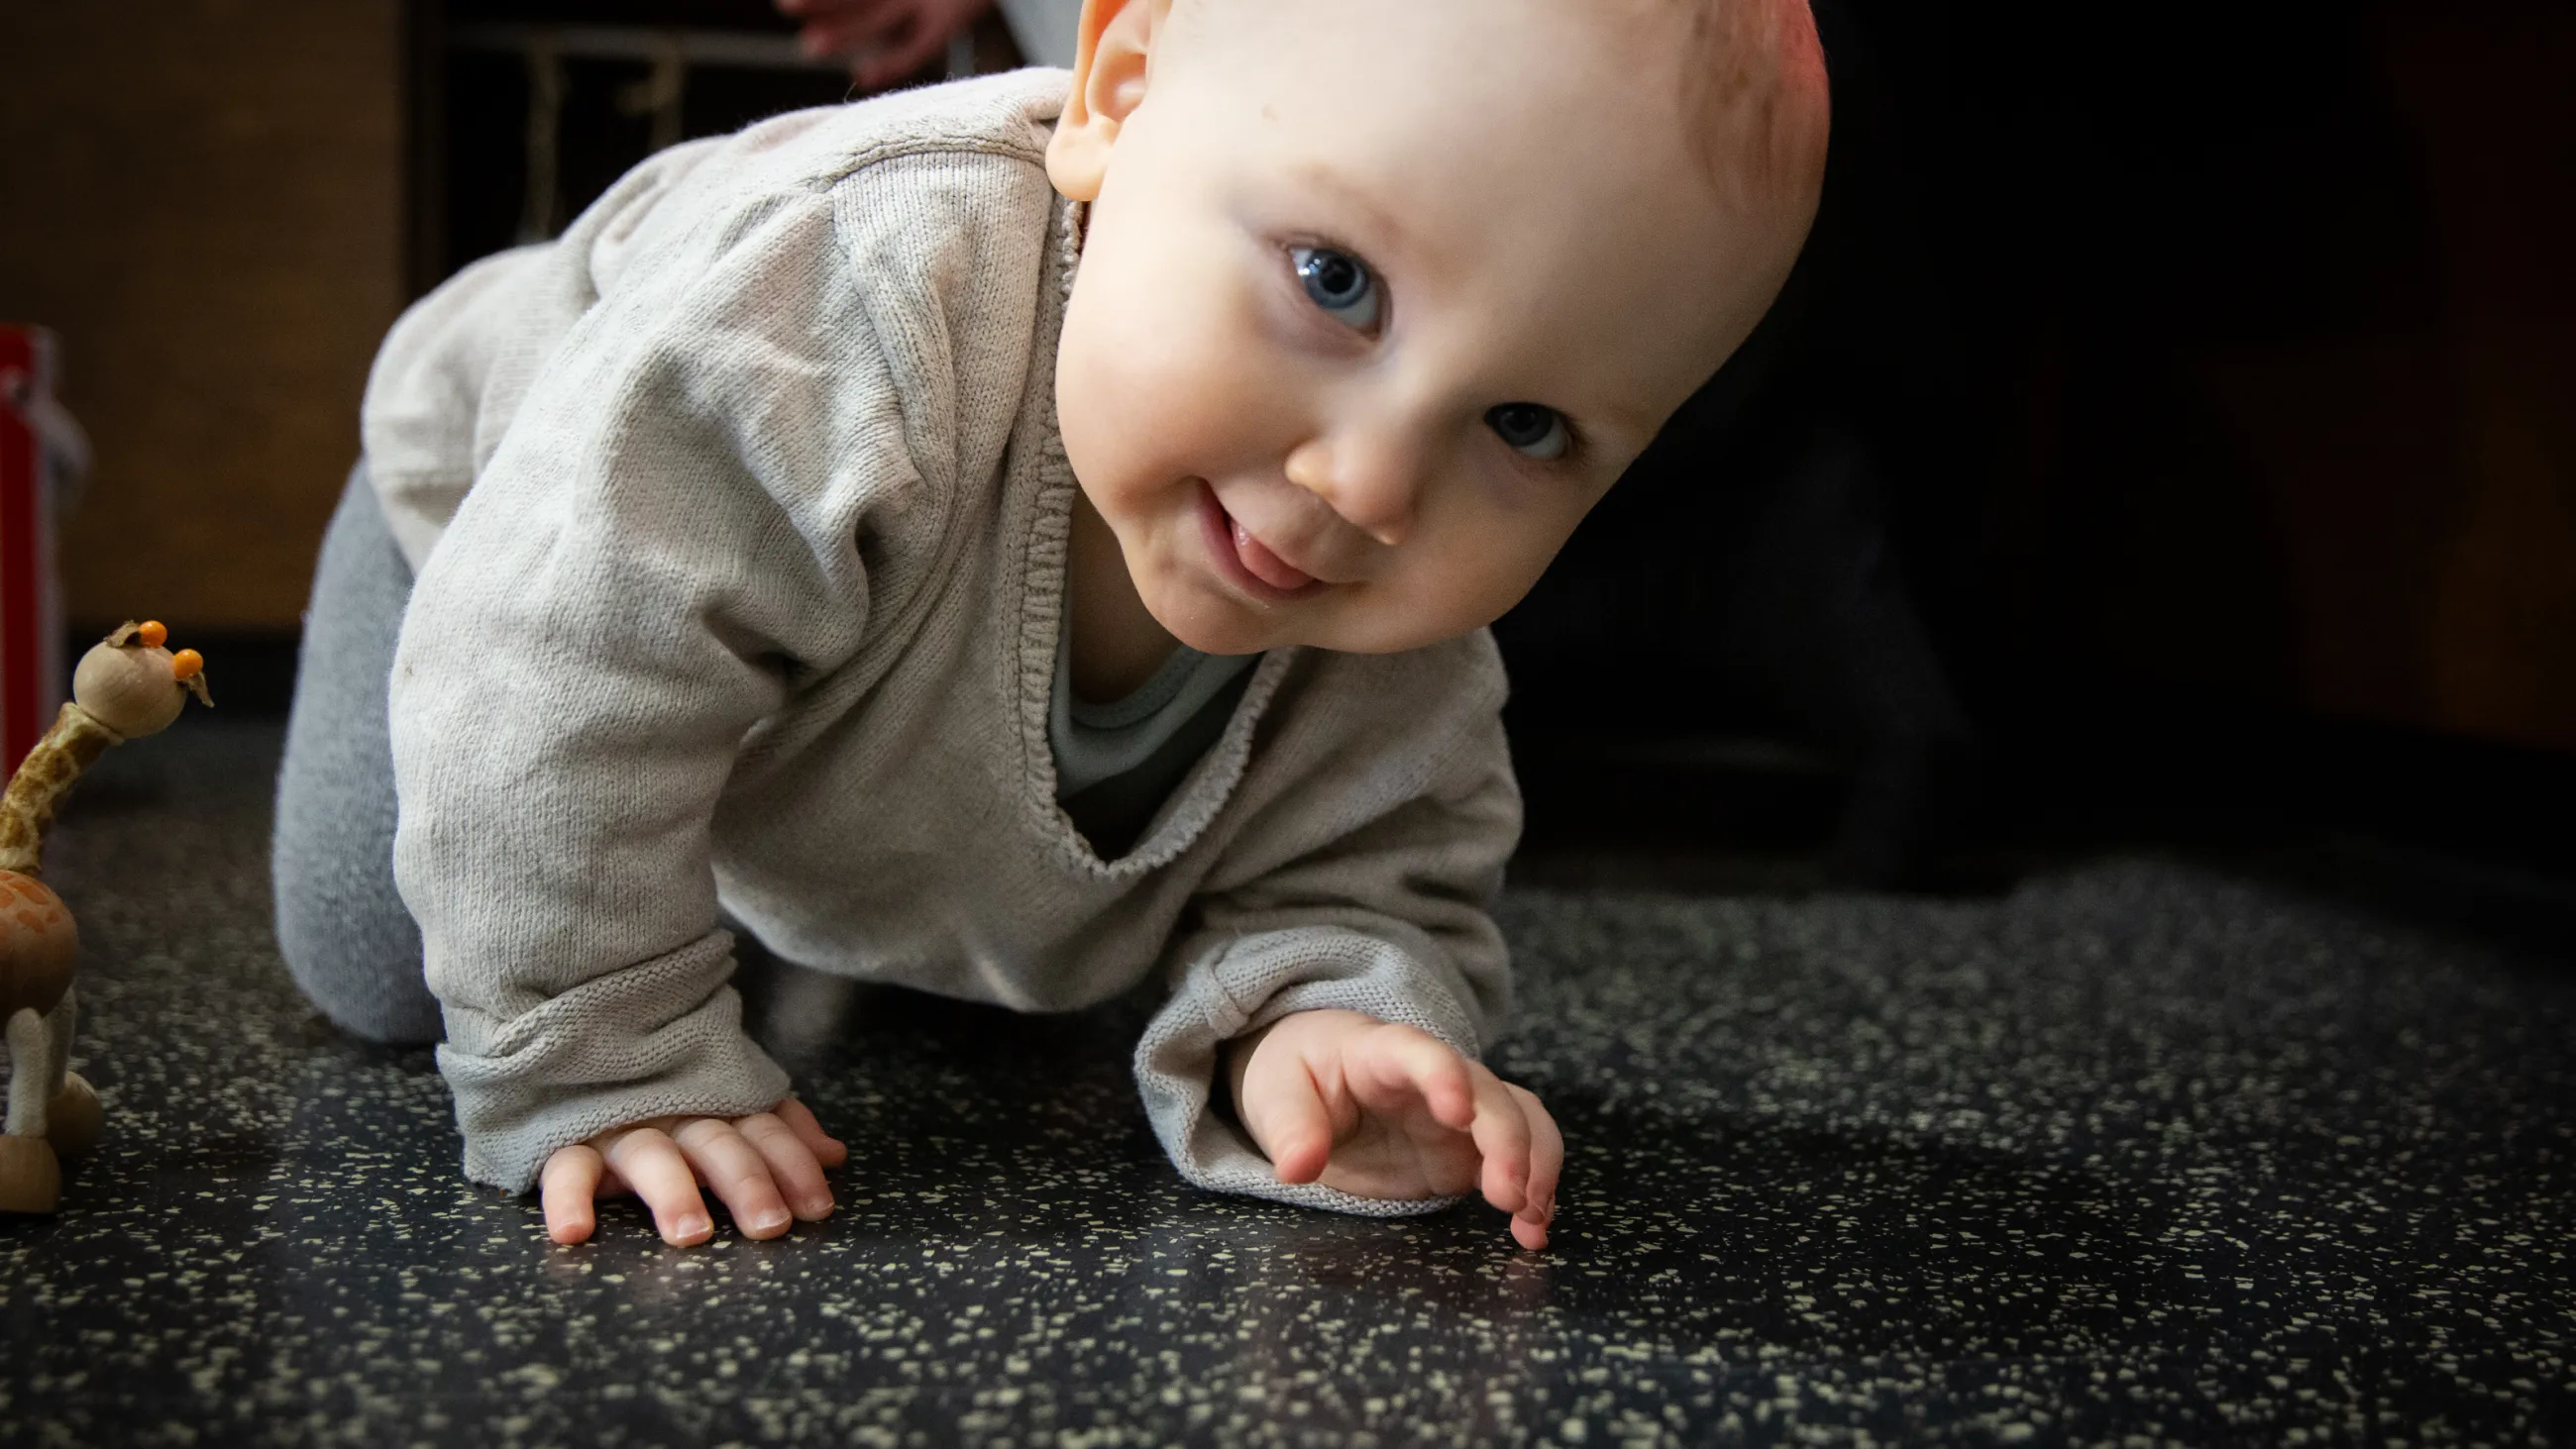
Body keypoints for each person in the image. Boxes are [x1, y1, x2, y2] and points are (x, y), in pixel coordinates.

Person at [272, 0, 1830, 1254]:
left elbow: (1367, 863)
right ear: (1119, 91)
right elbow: (566, 655)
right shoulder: (850, 303)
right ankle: (686, 871)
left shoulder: (1387, 603)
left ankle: (757, 863)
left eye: (1527, 422)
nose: (1367, 482)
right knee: (395, 956)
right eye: (1334, 279)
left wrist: (1329, 1024)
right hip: (524, 533)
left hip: (842, 716)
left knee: (932, 945)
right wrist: (610, 1058)